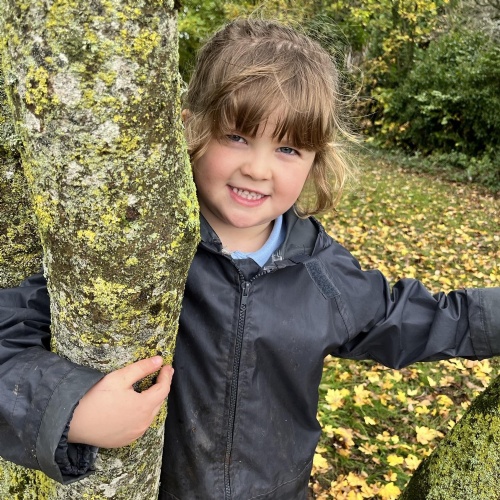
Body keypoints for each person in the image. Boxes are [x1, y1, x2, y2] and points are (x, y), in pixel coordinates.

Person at [1, 18, 499, 500]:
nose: (258, 169)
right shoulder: (134, 255)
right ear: (190, 128)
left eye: (288, 149)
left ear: (316, 160)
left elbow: (423, 320)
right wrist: (71, 410)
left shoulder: (323, 275)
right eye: (237, 136)